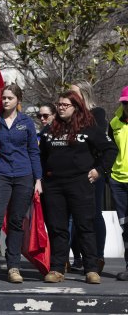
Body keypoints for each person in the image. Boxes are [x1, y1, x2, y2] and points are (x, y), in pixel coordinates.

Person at [40, 91, 117, 284]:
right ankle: (57, 268)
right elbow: (41, 156)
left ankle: (91, 269)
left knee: (85, 226)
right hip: (54, 185)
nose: (61, 107)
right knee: (57, 228)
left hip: (80, 184)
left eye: (66, 105)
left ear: (76, 107)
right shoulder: (50, 129)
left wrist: (100, 171)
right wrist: (40, 179)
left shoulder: (89, 127)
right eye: (59, 104)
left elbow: (110, 150)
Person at [0, 84, 42, 285]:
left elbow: (34, 151)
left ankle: (13, 266)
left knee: (16, 222)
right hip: (1, 174)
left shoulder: (27, 122)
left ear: (18, 100)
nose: (6, 101)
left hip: (24, 176)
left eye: (10, 98)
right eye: (4, 97)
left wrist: (38, 179)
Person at [69, 81, 107, 273]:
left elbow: (100, 143)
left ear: (84, 95)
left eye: (74, 93)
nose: (70, 97)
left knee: (94, 215)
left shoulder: (97, 113)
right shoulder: (68, 116)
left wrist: (98, 169)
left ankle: (98, 257)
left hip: (93, 172)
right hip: (73, 174)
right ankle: (80, 257)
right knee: (75, 218)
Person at [108, 86, 128, 281]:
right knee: (126, 227)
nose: (127, 106)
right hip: (118, 181)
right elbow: (109, 151)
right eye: (125, 102)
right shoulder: (114, 123)